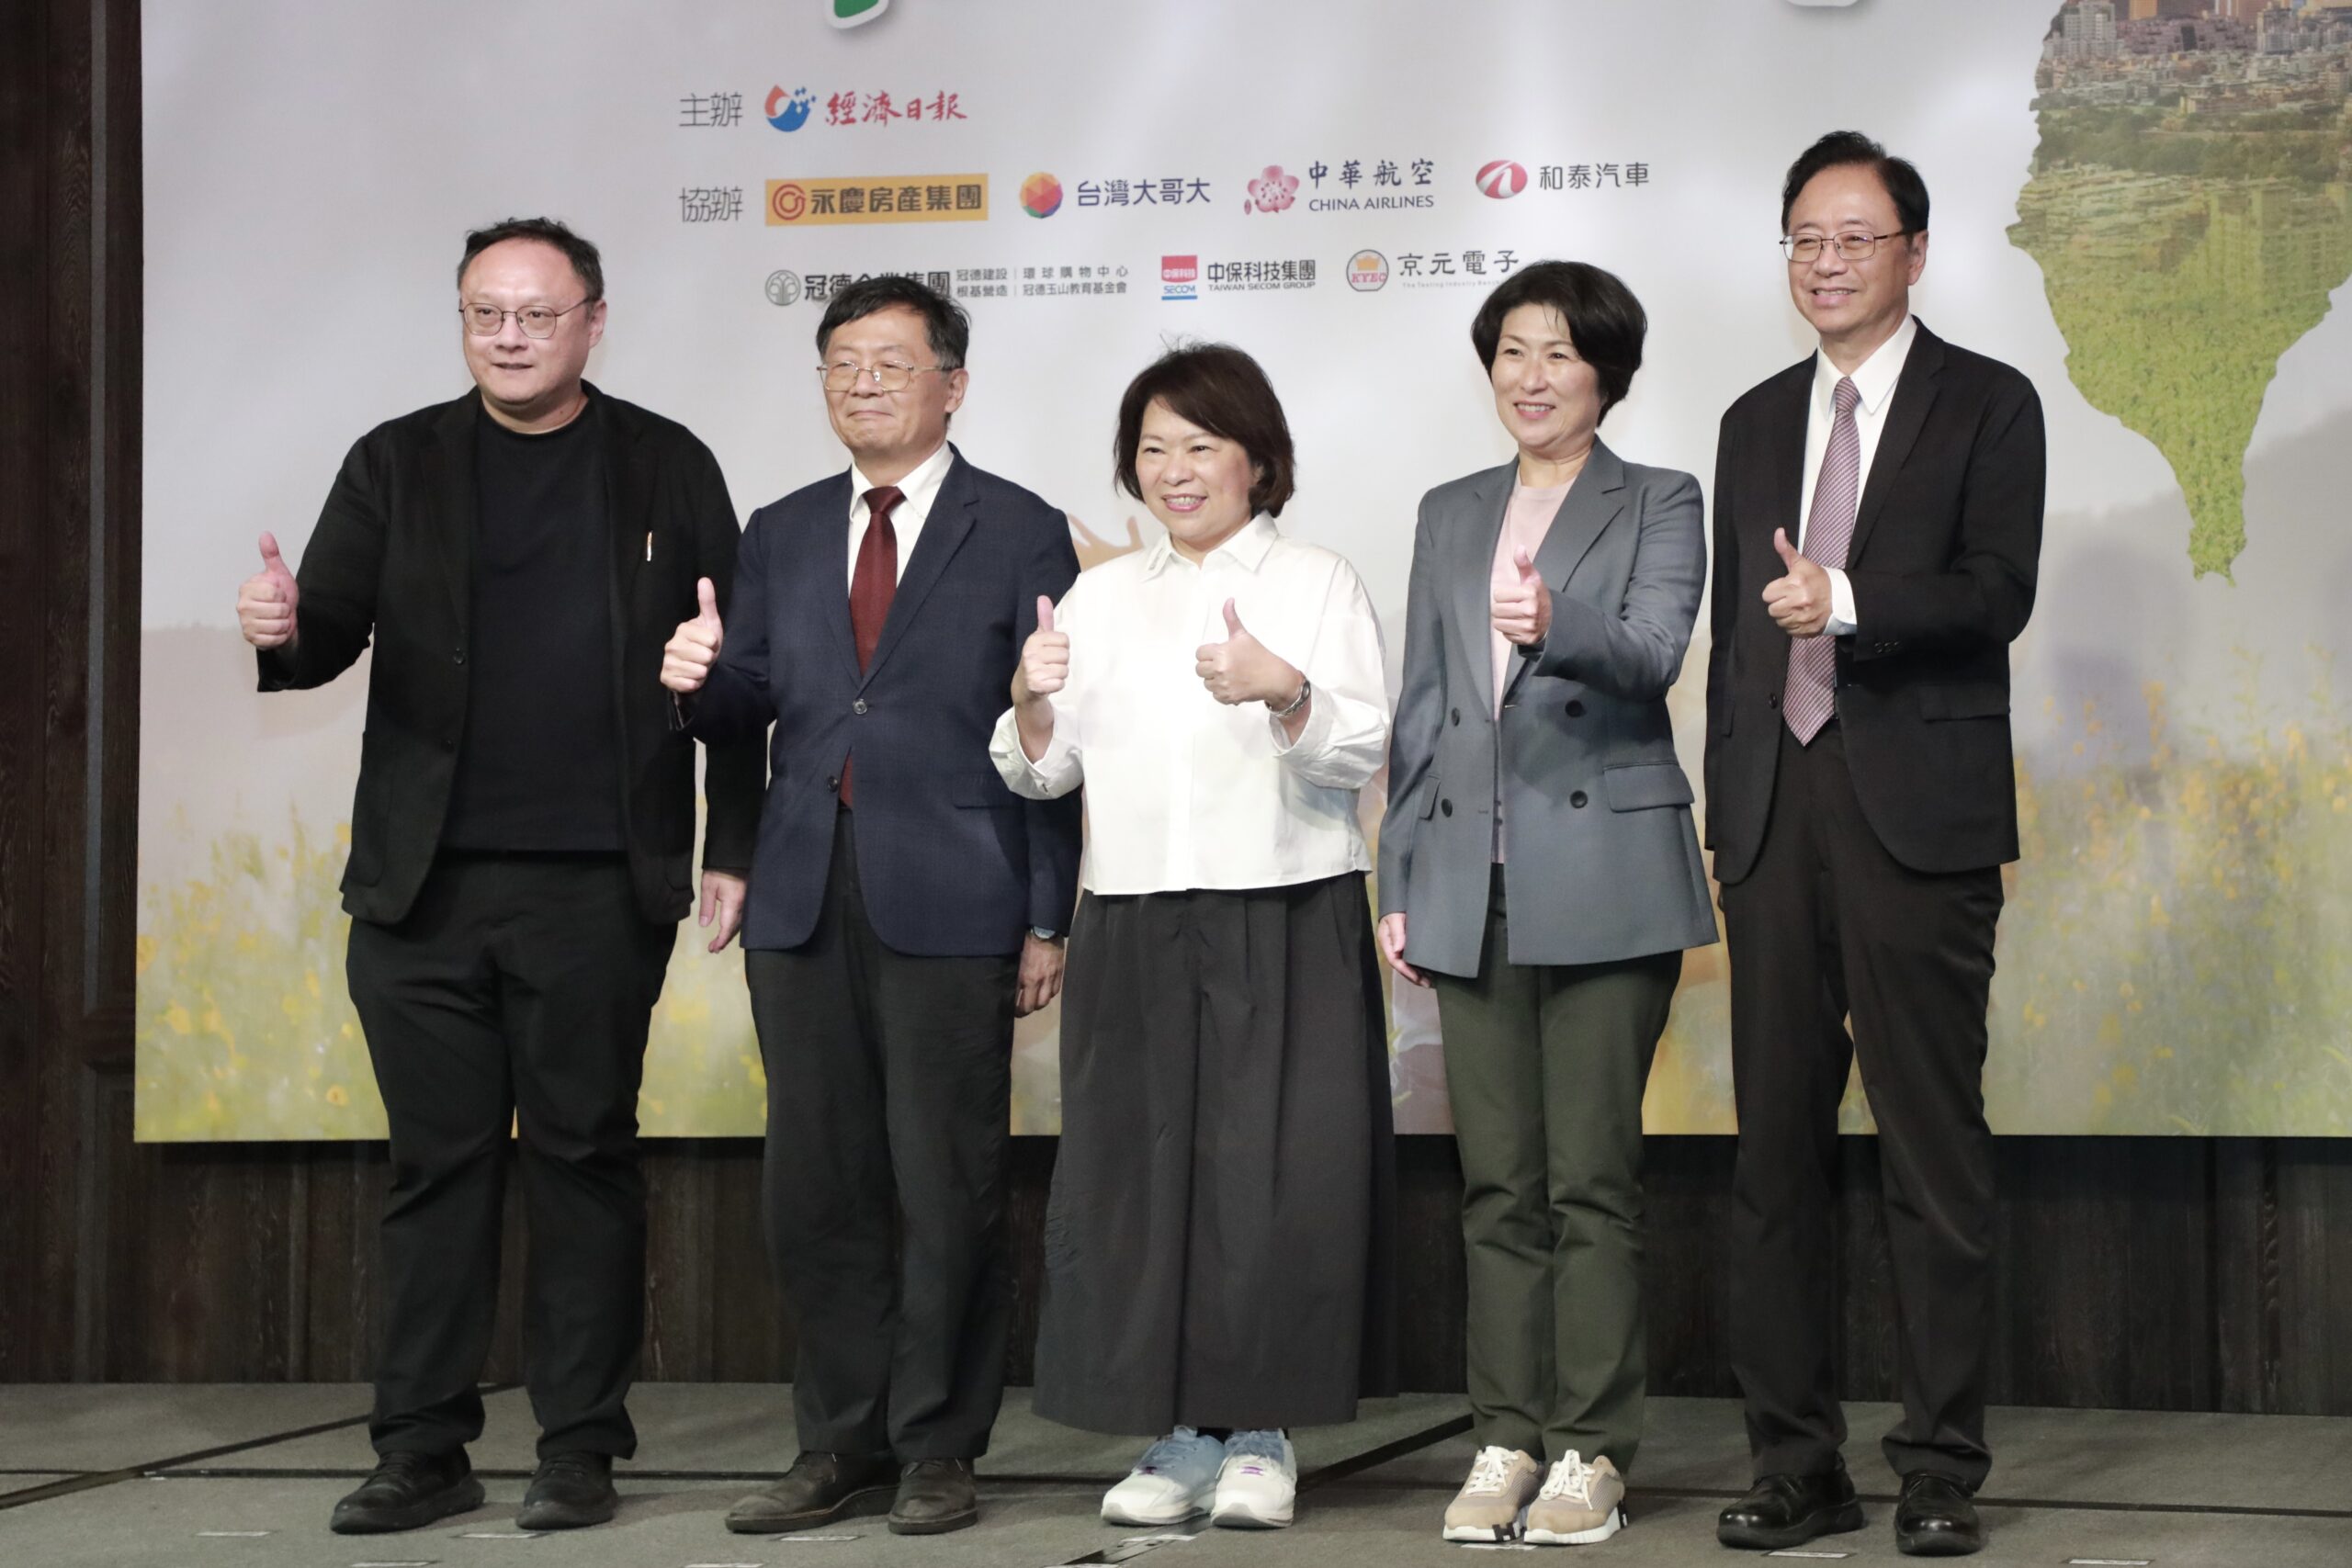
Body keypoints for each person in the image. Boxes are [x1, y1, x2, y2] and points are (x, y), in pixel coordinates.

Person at [234, 217, 763, 1535]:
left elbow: (736, 674)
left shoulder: (666, 462)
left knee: (585, 1159)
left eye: (536, 314)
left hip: (596, 884)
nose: (509, 337)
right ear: (463, 321)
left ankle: (579, 1448)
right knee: (436, 1168)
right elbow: (325, 633)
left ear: (594, 321)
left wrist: (733, 847)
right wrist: (281, 630)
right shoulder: (398, 460)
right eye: (486, 314)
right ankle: (422, 1448)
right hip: (422, 890)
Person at [661, 275, 1082, 1538]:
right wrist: (694, 683)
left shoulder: (1020, 528)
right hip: (802, 891)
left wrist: (1047, 914)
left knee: (947, 1183)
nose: (863, 384)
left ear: (954, 384)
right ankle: (837, 1440)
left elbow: (1057, 728)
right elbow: (746, 709)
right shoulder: (783, 529)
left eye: (892, 363)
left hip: (957, 890)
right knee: (817, 1185)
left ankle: (939, 1444)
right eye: (842, 363)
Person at [1704, 132, 2044, 1559]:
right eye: (1805, 238)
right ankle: (1797, 1465)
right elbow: (1737, 644)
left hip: (1919, 815)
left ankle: (1940, 1470)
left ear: (1915, 251)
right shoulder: (1751, 419)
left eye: (1854, 237)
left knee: (1931, 1155)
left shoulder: (1990, 401)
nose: (1826, 261)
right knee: (1772, 1160)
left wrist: (1847, 601)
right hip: (1775, 816)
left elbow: (1998, 593)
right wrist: (1727, 814)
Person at [990, 343, 1396, 1532]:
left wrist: (1285, 688)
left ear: (1256, 459)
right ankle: (1176, 1434)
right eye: (1153, 449)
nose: (1174, 470)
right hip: (1132, 914)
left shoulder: (1317, 580)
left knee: (1275, 1179)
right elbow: (1042, 771)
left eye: (1200, 446)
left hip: (1285, 905)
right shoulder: (1104, 595)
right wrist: (1026, 702)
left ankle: (1262, 1429)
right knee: (1139, 1177)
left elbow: (1360, 750)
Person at [1375, 262, 1715, 1547]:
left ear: (1606, 374)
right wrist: (1403, 877)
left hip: (1606, 880)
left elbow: (1653, 654)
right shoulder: (1450, 509)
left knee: (1592, 1185)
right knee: (1497, 1189)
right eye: (1513, 351)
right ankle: (1505, 1437)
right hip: (1471, 886)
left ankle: (1591, 1450)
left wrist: (1551, 617)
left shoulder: (1659, 498)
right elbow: (1425, 707)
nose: (1531, 376)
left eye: (1560, 353)